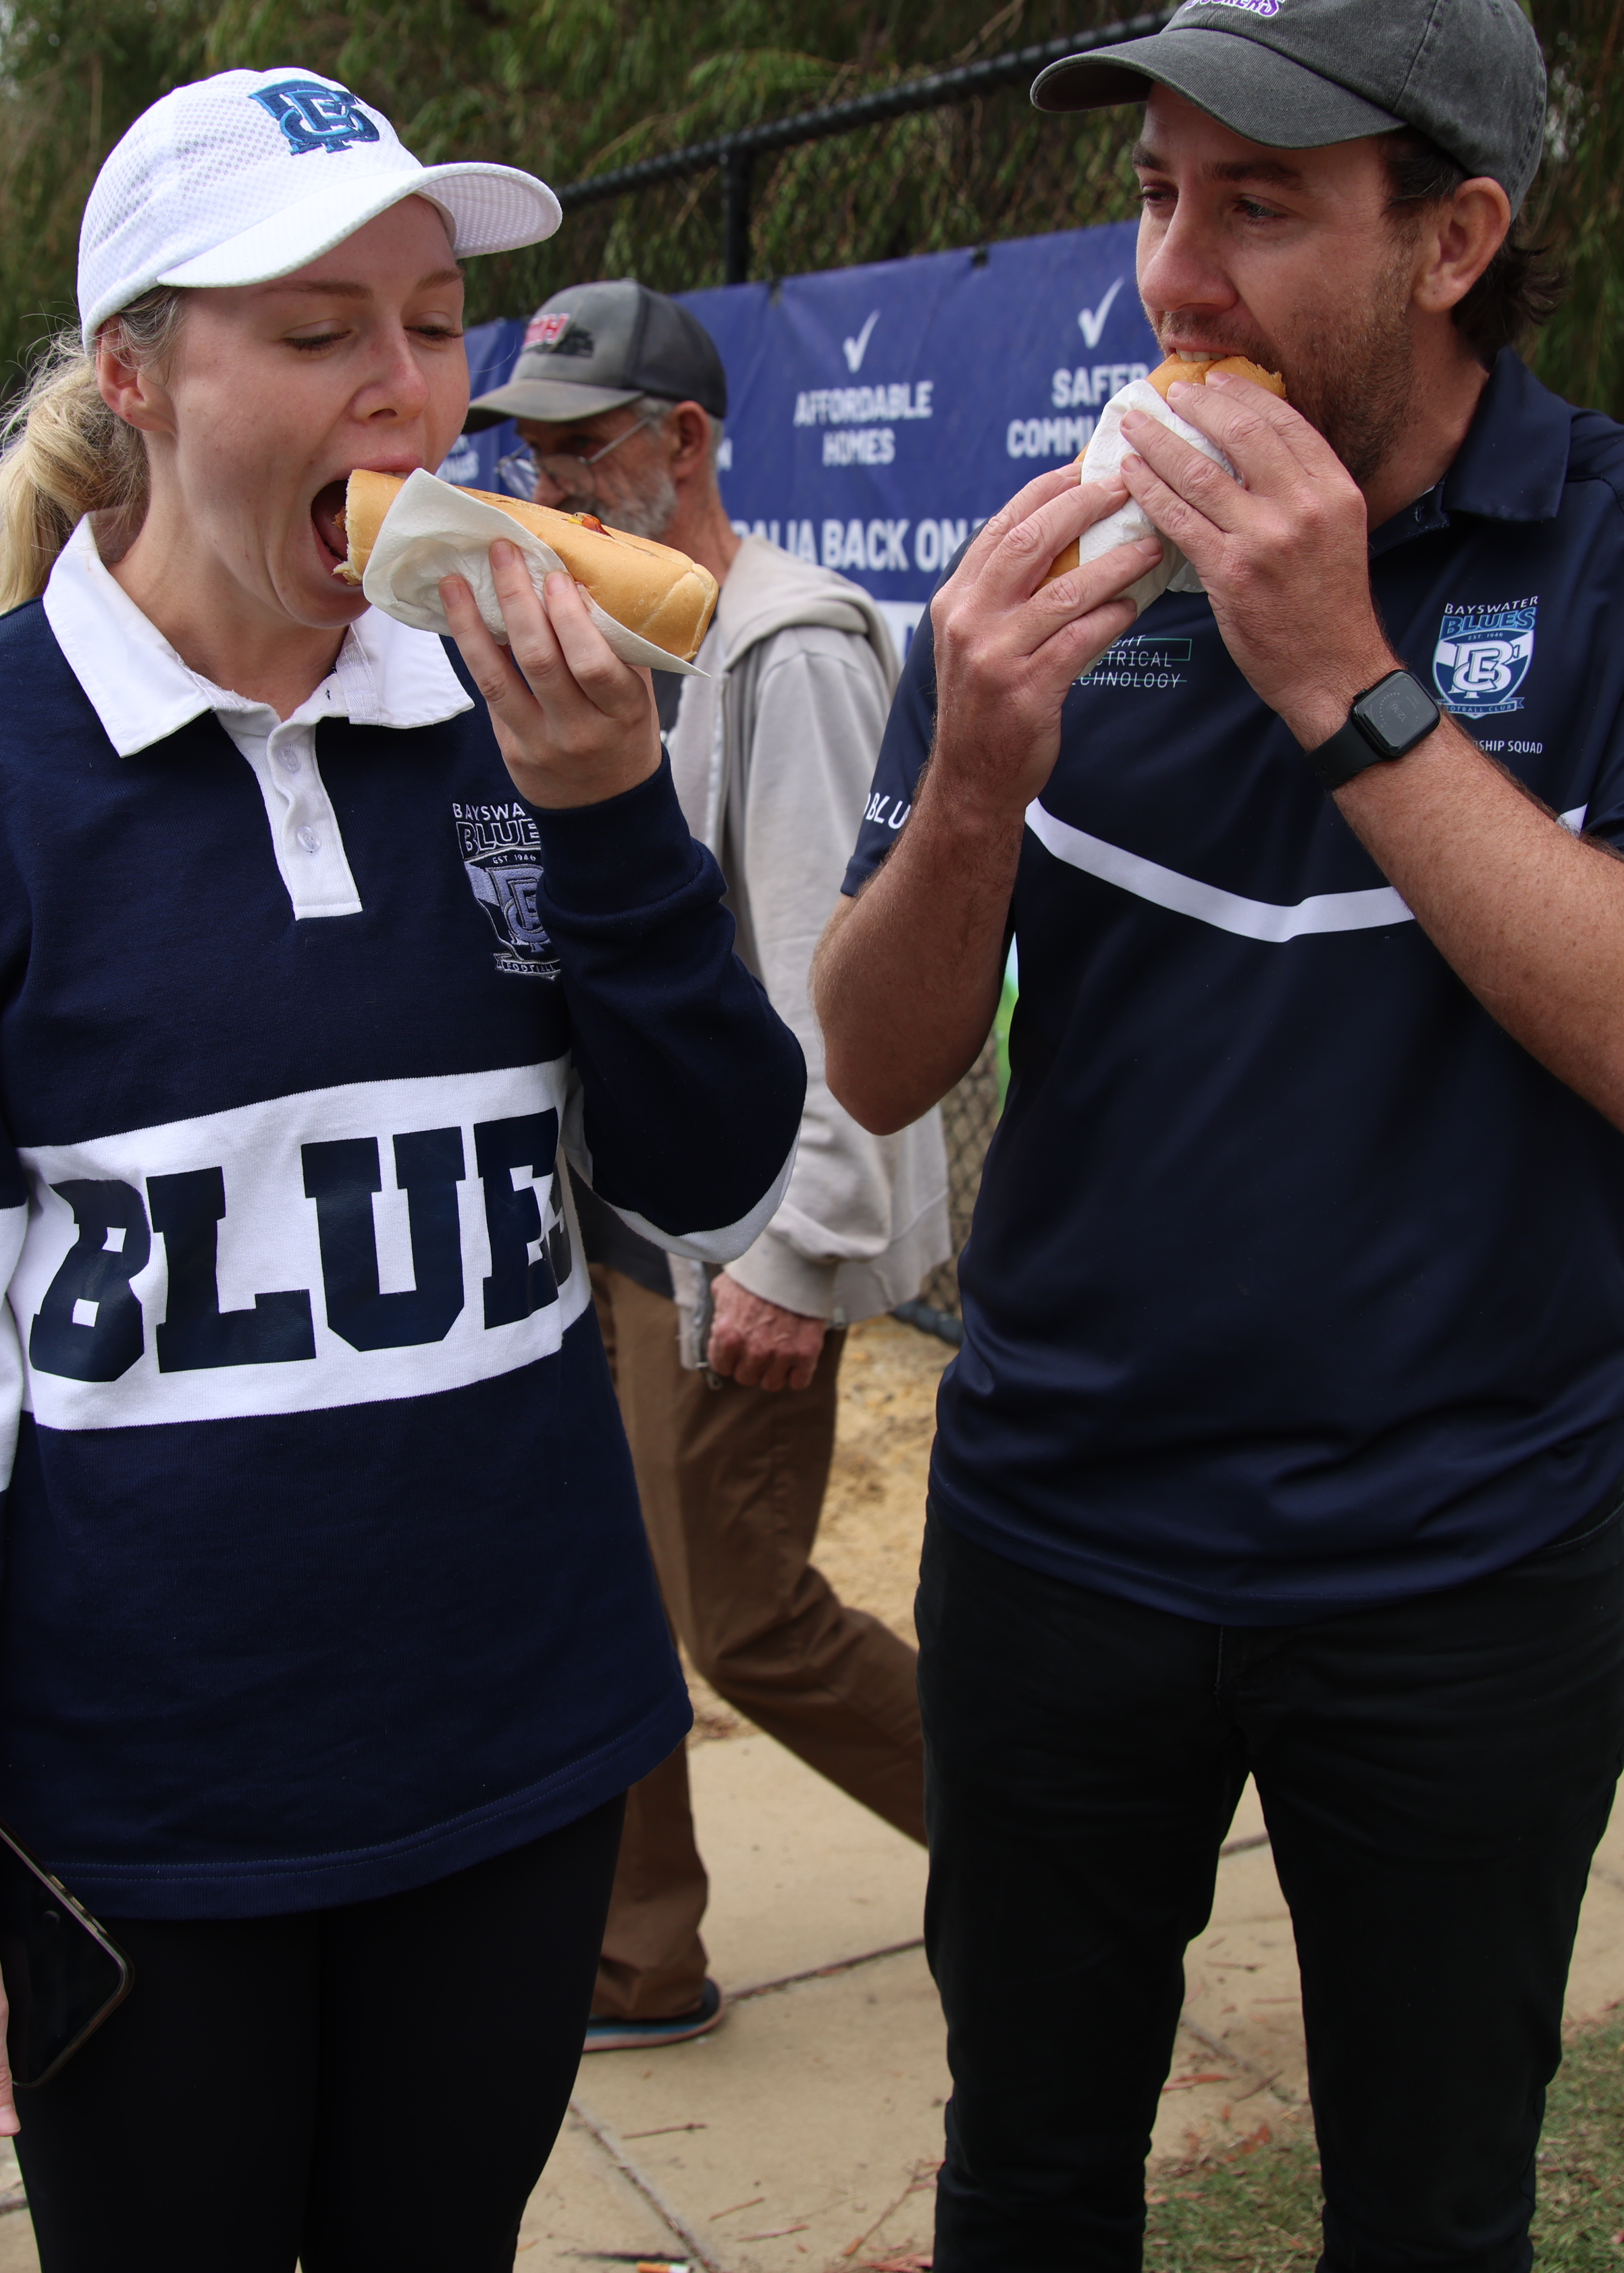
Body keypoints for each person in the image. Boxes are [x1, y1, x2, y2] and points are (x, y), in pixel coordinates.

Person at [812, 0, 1624, 2264]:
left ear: (1451, 240)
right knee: (1026, 2175)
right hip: (1058, 1534)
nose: (1174, 274)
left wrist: (1341, 675)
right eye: (1153, 197)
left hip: (1459, 1560)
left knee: (1430, 2203)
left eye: (1254, 208)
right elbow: (870, 1056)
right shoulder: (1050, 559)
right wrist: (965, 786)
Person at [0, 69, 808, 2270]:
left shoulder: (511, 712)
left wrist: (616, 817)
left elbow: (715, 1162)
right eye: (318, 326)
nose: (403, 390)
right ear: (135, 375)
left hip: (520, 1760)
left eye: (432, 323)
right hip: (138, 1815)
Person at [472, 279, 949, 2052]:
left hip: (739, 1235)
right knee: (597, 1604)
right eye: (530, 451)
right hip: (608, 1229)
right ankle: (633, 1963)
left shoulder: (786, 644)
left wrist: (799, 1247)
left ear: (686, 443)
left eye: (587, 448)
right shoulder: (605, 637)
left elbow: (843, 981)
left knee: (744, 1623)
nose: (554, 483)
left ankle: (1052, 1852)